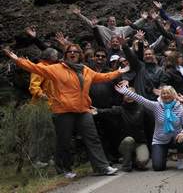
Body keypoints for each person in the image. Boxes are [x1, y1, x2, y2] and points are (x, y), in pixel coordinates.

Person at [4, 45, 127, 178]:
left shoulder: (85, 70)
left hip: (83, 110)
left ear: (80, 55)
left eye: (75, 51)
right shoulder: (56, 68)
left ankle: (101, 167)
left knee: (93, 139)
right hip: (63, 111)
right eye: (70, 51)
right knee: (64, 141)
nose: (73, 53)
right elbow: (36, 68)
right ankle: (64, 169)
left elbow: (102, 76)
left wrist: (119, 72)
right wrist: (17, 60)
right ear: (66, 54)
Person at [115, 81, 183, 171]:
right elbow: (141, 99)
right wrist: (126, 91)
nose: (165, 95)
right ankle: (163, 155)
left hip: (176, 138)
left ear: (174, 95)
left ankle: (180, 158)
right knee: (158, 167)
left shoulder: (181, 108)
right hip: (160, 140)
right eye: (163, 93)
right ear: (160, 95)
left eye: (168, 93)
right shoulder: (156, 106)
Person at [91, 86, 149, 172]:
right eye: (126, 95)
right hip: (125, 143)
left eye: (131, 94)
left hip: (140, 142)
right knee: (129, 140)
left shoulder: (142, 108)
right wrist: (98, 111)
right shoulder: (120, 109)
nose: (129, 96)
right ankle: (126, 165)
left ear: (136, 96)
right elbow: (108, 111)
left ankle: (134, 160)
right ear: (123, 97)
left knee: (142, 162)